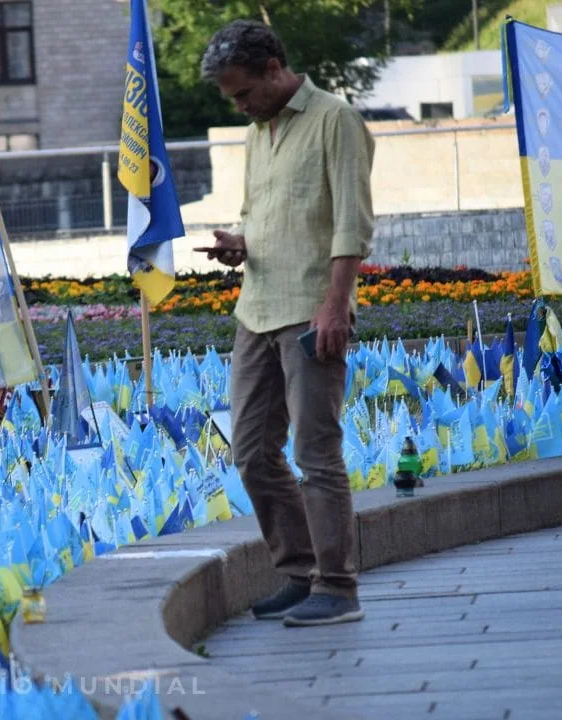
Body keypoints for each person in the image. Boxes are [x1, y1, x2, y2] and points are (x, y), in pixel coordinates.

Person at [200, 20, 374, 627]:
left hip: (310, 312)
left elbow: (352, 224)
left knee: (315, 451)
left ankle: (337, 586)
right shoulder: (257, 133)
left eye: (244, 92)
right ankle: (300, 573)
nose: (240, 105)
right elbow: (264, 213)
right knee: (250, 451)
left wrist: (335, 305)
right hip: (256, 306)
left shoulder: (335, 120)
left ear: (273, 68)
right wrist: (238, 244)